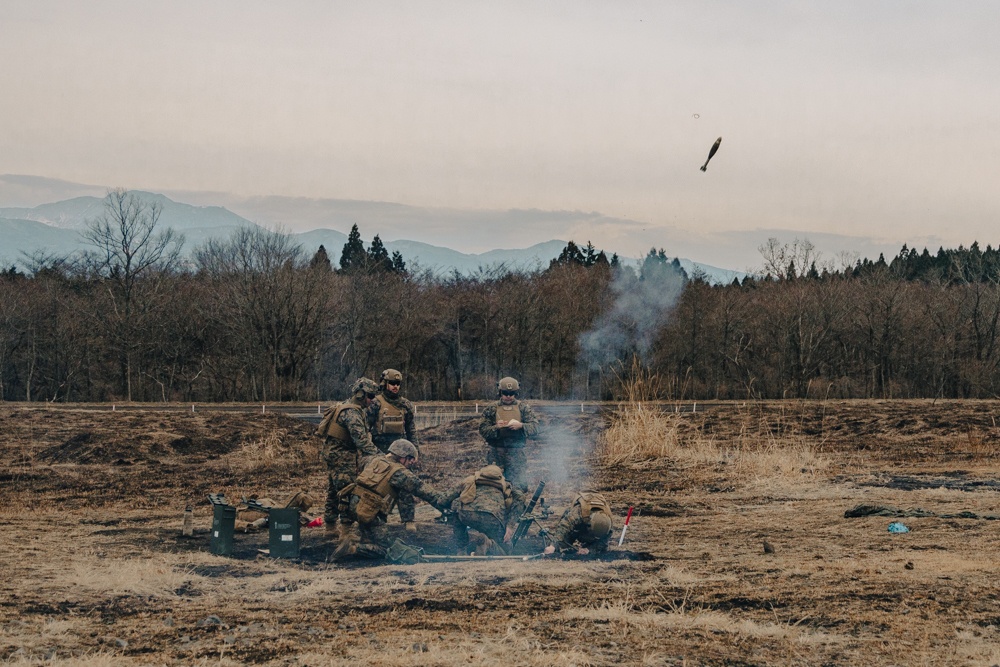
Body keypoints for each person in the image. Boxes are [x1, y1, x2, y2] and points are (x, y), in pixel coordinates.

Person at [335, 439, 451, 560]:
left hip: (353, 506)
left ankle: (364, 542)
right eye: (410, 460)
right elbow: (427, 493)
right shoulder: (400, 473)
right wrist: (448, 502)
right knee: (390, 549)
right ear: (403, 457)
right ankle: (352, 549)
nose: (411, 463)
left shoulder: (374, 460)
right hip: (369, 513)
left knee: (370, 535)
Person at [315, 377, 380, 528]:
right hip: (342, 457)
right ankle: (346, 531)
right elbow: (362, 442)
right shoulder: (352, 413)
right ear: (360, 395)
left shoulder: (348, 406)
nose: (372, 400)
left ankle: (330, 526)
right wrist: (381, 456)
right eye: (370, 396)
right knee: (347, 492)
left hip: (334, 454)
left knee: (333, 491)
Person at [442, 464, 525, 556]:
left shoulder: (470, 480)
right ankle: (488, 544)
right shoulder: (506, 485)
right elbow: (520, 498)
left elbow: (443, 500)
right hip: (493, 518)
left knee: (456, 511)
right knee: (506, 551)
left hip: (467, 514)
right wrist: (510, 525)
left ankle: (462, 550)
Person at [478, 376, 540, 492]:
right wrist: (496, 427)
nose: (508, 396)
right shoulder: (491, 409)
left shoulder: (523, 408)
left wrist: (521, 426)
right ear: (500, 392)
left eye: (511, 393)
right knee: (493, 486)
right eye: (505, 393)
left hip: (516, 455)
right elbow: (482, 429)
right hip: (496, 454)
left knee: (517, 487)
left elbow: (535, 427)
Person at [543, 490, 614, 556]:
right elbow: (564, 527)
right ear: (589, 525)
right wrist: (553, 546)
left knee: (601, 549)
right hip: (579, 525)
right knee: (562, 544)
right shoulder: (577, 513)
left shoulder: (608, 524)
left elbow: (604, 542)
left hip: (590, 527)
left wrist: (589, 550)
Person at [367, 368, 419, 454]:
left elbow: (411, 431)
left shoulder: (405, 405)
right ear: (385, 384)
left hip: (400, 453)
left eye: (397, 384)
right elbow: (366, 429)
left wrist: (416, 453)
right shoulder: (375, 403)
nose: (395, 386)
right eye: (392, 383)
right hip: (379, 451)